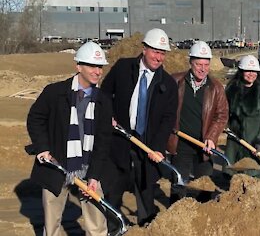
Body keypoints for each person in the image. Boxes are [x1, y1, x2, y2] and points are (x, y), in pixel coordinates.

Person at [26, 42, 112, 235]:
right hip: (56, 166)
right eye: (92, 66)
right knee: (52, 224)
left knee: (97, 224)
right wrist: (42, 147)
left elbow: (103, 141)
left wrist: (94, 177)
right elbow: (35, 118)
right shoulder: (54, 92)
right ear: (78, 66)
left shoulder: (104, 101)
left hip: (89, 168)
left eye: (100, 67)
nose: (97, 71)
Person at [101, 28, 178, 228]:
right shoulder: (123, 68)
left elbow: (168, 120)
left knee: (146, 191)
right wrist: (107, 114)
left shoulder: (168, 84)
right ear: (144, 49)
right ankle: (113, 228)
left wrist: (158, 148)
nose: (158, 57)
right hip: (119, 139)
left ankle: (145, 228)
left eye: (162, 53)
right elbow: (105, 93)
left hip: (148, 144)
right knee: (113, 190)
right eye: (155, 51)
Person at [167, 41, 228, 204]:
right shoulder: (176, 81)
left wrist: (212, 137)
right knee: (179, 183)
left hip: (204, 145)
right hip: (181, 144)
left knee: (205, 186)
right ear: (190, 63)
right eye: (198, 64)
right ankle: (174, 219)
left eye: (206, 64)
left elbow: (221, 115)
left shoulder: (216, 88)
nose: (203, 69)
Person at [223, 55, 260, 179]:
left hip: (256, 139)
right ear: (241, 71)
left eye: (254, 71)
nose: (251, 74)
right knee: (235, 174)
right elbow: (225, 112)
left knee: (256, 174)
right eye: (247, 71)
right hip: (236, 139)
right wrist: (227, 127)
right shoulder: (231, 90)